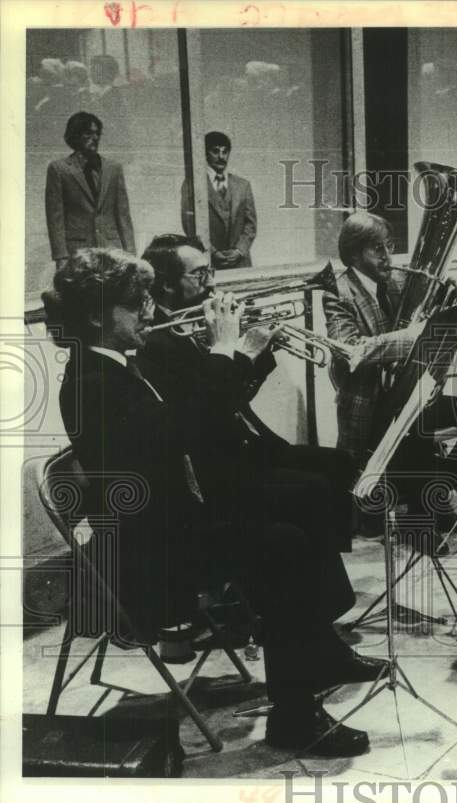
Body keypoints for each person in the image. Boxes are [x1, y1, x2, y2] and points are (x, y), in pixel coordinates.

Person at [42, 248, 377, 756]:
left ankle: (309, 672)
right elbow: (177, 434)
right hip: (151, 555)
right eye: (135, 305)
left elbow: (190, 426)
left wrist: (235, 358)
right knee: (283, 544)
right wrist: (225, 353)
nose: (150, 312)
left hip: (173, 523)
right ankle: (294, 717)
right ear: (96, 316)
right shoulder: (91, 383)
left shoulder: (114, 366)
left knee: (295, 511)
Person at [138, 233, 357, 554]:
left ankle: (323, 564)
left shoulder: (191, 321)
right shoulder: (158, 340)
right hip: (218, 463)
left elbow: (236, 397)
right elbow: (209, 411)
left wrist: (261, 354)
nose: (210, 283)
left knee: (339, 463)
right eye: (199, 274)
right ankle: (312, 578)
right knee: (315, 487)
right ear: (167, 284)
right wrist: (233, 352)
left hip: (246, 442)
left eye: (209, 271)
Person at [319, 211, 457, 542]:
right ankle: (421, 521)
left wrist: (456, 290)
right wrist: (414, 338)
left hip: (409, 395)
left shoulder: (394, 279)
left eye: (388, 246)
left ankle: (441, 490)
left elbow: (434, 290)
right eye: (376, 248)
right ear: (353, 253)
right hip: (372, 407)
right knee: (414, 428)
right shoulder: (338, 292)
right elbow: (351, 350)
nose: (387, 256)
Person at [45, 111, 135, 270]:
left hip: (112, 250)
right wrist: (61, 257)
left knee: (112, 293)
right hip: (78, 252)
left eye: (97, 133)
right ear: (75, 135)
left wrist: (130, 254)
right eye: (88, 133)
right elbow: (55, 218)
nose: (95, 138)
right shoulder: (59, 169)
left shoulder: (113, 169)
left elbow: (123, 215)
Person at [181, 131, 257, 269]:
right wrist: (213, 252)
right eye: (215, 151)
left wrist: (239, 251)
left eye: (225, 152)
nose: (221, 157)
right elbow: (189, 226)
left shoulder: (243, 185)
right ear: (205, 153)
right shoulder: (192, 184)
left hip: (240, 262)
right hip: (209, 261)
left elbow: (250, 225)